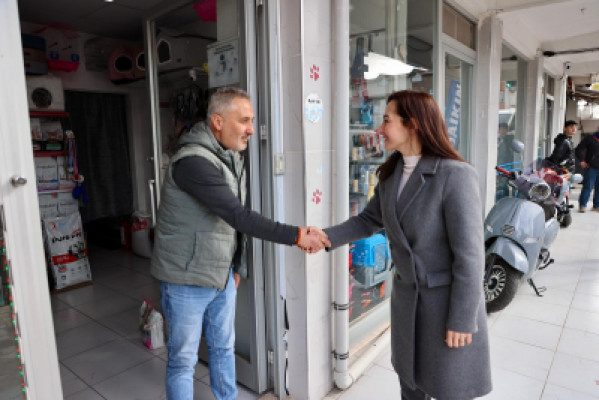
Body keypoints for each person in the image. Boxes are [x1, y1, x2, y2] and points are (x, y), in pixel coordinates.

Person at [151, 87, 329, 400]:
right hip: (186, 279)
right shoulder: (193, 163)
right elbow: (238, 216)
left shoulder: (230, 157)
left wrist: (237, 266)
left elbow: (231, 223)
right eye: (244, 120)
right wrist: (298, 235)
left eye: (252, 121)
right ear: (218, 121)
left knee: (223, 348)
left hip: (221, 276)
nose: (251, 129)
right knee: (183, 361)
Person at [315, 90, 492, 399]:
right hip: (407, 303)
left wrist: (463, 319)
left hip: (445, 306)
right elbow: (367, 220)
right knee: (411, 387)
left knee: (450, 388)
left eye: (386, 120)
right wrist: (323, 237)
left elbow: (470, 257)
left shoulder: (455, 175)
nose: (379, 129)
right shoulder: (390, 174)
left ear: (413, 124)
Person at [575, 130, 599, 212]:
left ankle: (596, 206)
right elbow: (579, 149)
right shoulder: (590, 138)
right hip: (591, 167)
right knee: (588, 187)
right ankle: (582, 205)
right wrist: (582, 161)